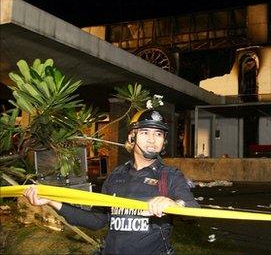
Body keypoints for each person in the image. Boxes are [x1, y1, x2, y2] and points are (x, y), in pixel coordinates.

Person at [24, 109, 199, 254]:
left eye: (158, 134)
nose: (152, 140)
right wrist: (50, 201)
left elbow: (192, 208)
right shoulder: (116, 175)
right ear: (132, 137)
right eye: (145, 132)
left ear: (164, 141)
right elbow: (96, 220)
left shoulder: (170, 175)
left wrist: (174, 203)